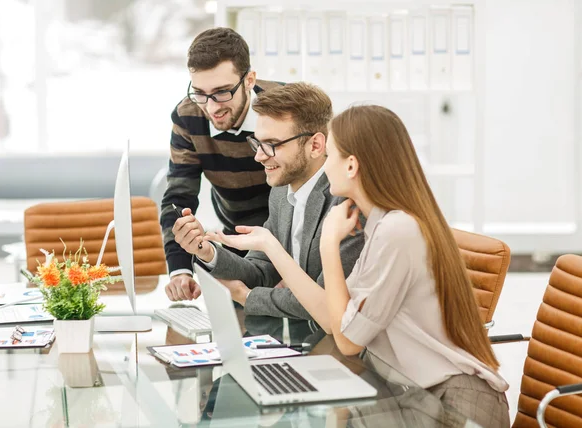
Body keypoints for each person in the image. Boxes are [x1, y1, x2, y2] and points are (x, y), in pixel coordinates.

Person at [209, 104, 510, 427]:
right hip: (405, 391)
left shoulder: (397, 231)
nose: (325, 168)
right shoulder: (380, 225)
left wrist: (328, 242)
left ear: (351, 165)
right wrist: (269, 244)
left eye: (332, 155)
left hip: (454, 403)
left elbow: (348, 341)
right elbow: (331, 318)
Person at [166, 83, 364, 326]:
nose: (259, 156)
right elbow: (262, 271)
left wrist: (247, 297)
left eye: (272, 144)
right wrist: (206, 251)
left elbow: (325, 303)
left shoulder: (346, 202)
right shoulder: (281, 192)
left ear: (315, 145)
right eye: (257, 144)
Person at [160, 28, 282, 297]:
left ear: (249, 80)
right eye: (200, 92)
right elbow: (179, 197)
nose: (212, 107)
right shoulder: (188, 116)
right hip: (236, 240)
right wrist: (180, 269)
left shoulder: (288, 109)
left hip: (291, 243)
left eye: (222, 92)